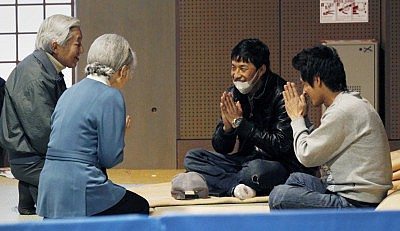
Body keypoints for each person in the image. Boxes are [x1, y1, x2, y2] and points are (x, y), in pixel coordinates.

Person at [181, 38, 315, 200]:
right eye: (233, 68)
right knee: (193, 158)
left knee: (255, 171)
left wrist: (241, 124)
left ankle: (219, 181)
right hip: (244, 160)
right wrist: (226, 128)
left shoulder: (281, 94)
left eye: (243, 68)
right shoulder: (234, 93)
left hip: (277, 164)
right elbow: (221, 148)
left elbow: (280, 145)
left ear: (261, 69)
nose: (236, 75)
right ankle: (236, 187)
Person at [36, 34, 149, 218]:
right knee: (140, 207)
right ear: (123, 71)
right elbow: (110, 159)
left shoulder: (69, 92)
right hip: (81, 187)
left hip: (50, 189)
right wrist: (120, 132)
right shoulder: (111, 96)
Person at [268, 45, 393, 209]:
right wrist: (303, 118)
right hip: (347, 191)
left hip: (356, 202)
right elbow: (321, 147)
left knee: (279, 196)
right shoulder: (347, 103)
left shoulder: (343, 110)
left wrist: (296, 118)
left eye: (305, 84)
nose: (304, 91)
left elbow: (307, 156)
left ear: (318, 80)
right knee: (296, 179)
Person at [0, 15, 83, 215]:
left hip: (34, 154)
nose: (81, 50)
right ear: (56, 46)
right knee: (86, 184)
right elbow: (43, 134)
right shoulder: (34, 76)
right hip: (32, 159)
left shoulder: (47, 69)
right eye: (77, 44)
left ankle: (31, 191)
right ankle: (36, 187)